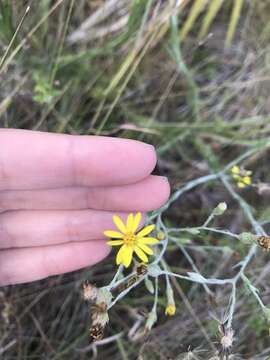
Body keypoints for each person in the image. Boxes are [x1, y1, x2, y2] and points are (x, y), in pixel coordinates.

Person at [0, 129, 170, 286]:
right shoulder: (126, 235)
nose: (130, 239)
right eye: (130, 238)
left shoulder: (128, 238)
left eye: (131, 239)